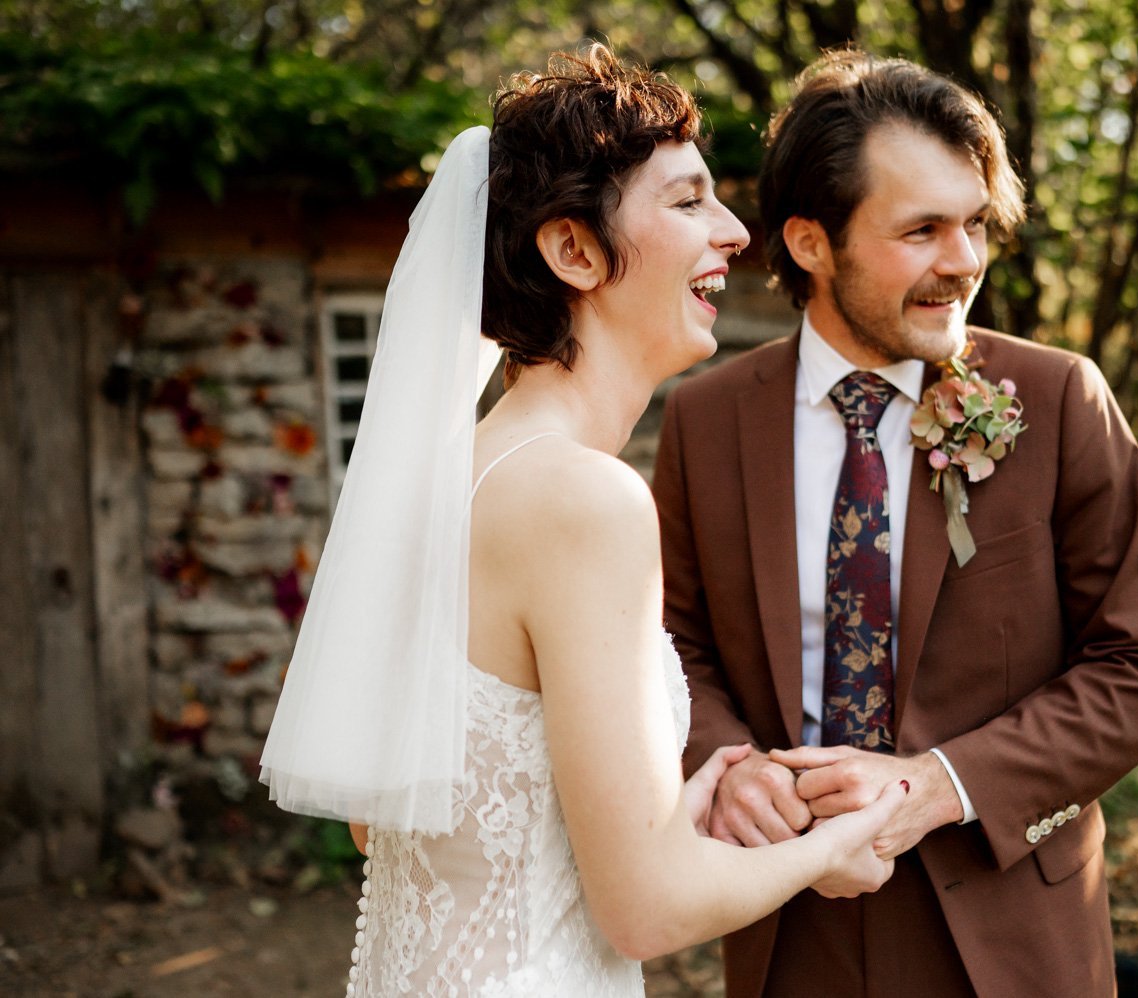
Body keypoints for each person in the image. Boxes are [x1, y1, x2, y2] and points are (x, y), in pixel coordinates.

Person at [259, 46, 911, 998]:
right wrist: (835, 844)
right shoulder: (586, 501)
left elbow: (394, 819)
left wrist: (669, 806)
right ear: (574, 251)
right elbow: (644, 910)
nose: (732, 231)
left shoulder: (454, 478)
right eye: (688, 202)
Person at [653, 49, 1138, 996]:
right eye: (923, 230)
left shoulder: (1061, 400)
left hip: (1012, 933)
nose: (965, 260)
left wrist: (939, 783)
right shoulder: (704, 422)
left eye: (975, 223)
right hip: (787, 924)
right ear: (812, 243)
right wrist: (725, 764)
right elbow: (670, 645)